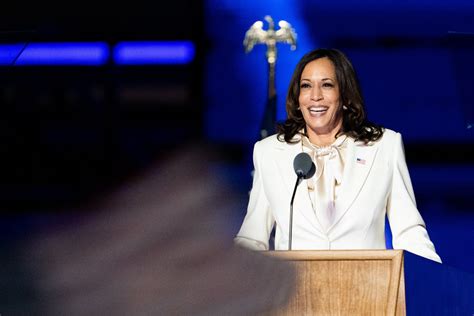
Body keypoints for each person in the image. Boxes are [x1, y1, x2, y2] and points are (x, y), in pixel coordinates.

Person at [234, 48, 441, 263]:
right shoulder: (269, 153)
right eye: (306, 86)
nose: (315, 96)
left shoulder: (384, 146)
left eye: (327, 85)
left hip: (367, 292)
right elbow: (252, 237)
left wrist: (434, 284)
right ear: (297, 98)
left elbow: (409, 231)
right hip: (294, 294)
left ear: (344, 95)